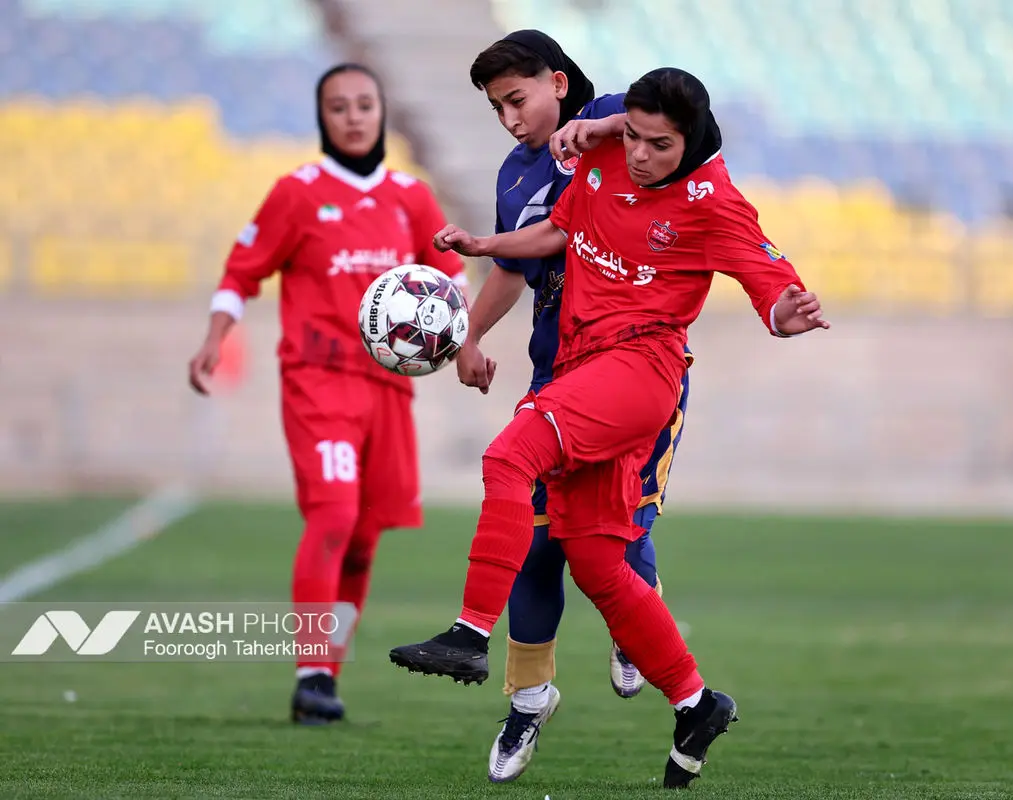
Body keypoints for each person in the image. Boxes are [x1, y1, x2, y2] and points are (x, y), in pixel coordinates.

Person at [389, 66, 828, 788]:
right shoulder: (603, 150)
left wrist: (787, 314)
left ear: (690, 142)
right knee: (595, 559)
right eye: (634, 137)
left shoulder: (714, 202)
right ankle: (696, 703)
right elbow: (560, 231)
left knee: (508, 459)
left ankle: (468, 635)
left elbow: (771, 286)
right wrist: (484, 246)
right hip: (580, 364)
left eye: (660, 145)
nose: (641, 155)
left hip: (640, 368)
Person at [187, 63, 467, 725]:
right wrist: (215, 335)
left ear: (382, 111)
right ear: (322, 117)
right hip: (318, 382)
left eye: (364, 103)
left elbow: (451, 279)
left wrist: (468, 341)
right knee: (334, 515)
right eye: (338, 106)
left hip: (388, 390)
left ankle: (327, 674)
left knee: (365, 539)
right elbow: (241, 271)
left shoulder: (410, 197)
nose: (353, 116)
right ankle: (310, 671)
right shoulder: (297, 193)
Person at [451, 30, 692, 784]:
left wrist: (605, 129)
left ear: (558, 82)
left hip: (632, 372)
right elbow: (513, 267)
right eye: (496, 109)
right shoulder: (516, 175)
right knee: (533, 542)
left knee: (620, 535)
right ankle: (529, 700)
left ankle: (635, 627)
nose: (509, 120)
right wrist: (469, 336)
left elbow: (692, 136)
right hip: (555, 374)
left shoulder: (621, 119)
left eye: (516, 100)